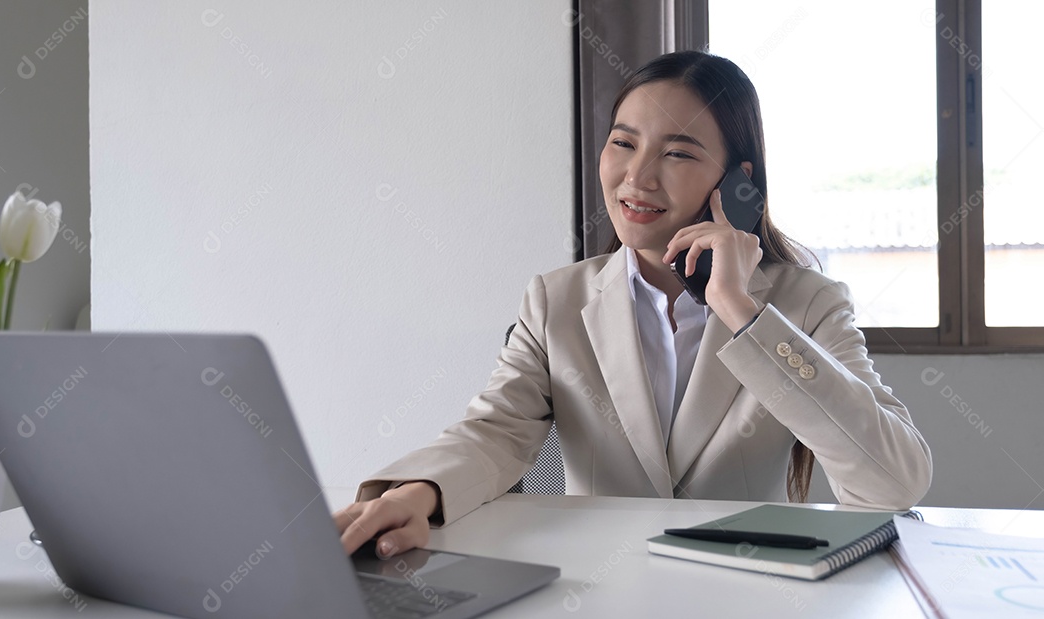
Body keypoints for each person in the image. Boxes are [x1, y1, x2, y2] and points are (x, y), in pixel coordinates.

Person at [334, 50, 933, 559]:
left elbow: (892, 483)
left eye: (677, 153)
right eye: (623, 142)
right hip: (596, 588)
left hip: (751, 591)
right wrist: (415, 494)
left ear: (737, 183)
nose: (637, 177)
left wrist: (740, 310)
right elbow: (493, 433)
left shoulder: (807, 303)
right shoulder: (557, 300)